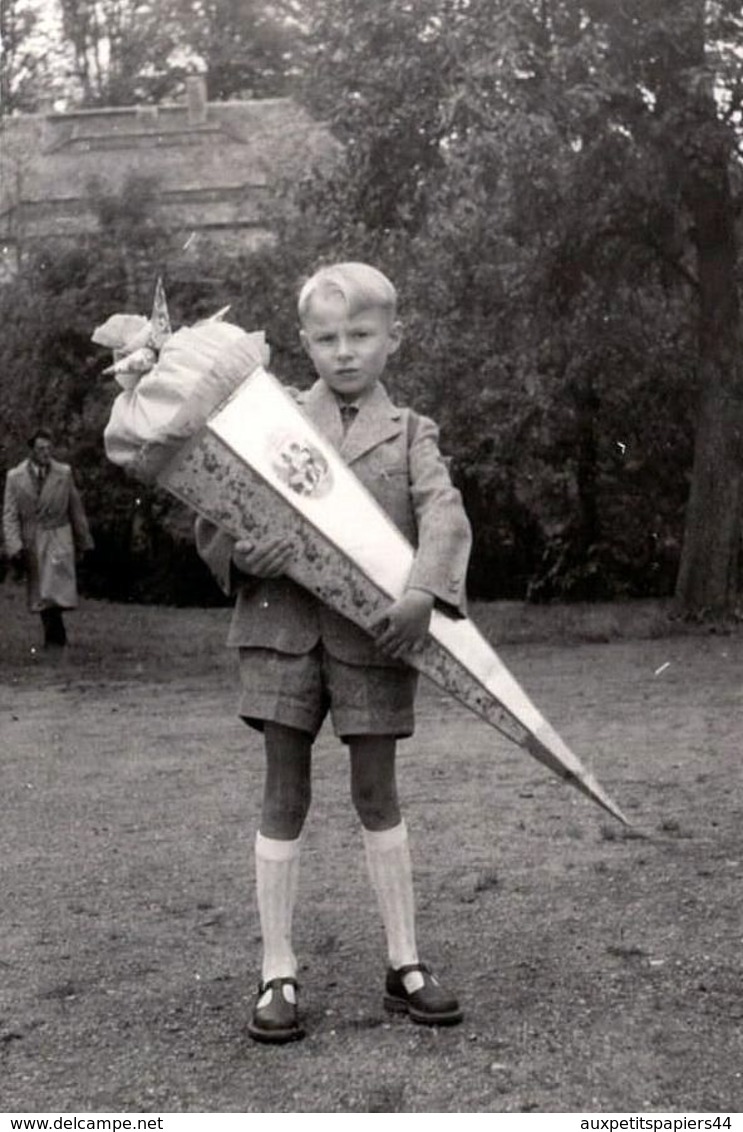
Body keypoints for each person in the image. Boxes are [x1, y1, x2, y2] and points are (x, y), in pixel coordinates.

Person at [196, 262, 472, 1044]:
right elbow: (213, 509)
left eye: (359, 335)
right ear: (304, 342)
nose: (343, 352)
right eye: (325, 337)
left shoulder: (412, 432)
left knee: (376, 796)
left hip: (375, 640)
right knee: (283, 797)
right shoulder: (270, 419)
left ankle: (404, 964)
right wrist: (244, 555)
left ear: (392, 339)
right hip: (278, 633)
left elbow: (444, 516)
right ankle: (276, 971)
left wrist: (425, 592)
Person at [3, 428, 94, 648]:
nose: (46, 453)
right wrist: (14, 546)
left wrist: (84, 541)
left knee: (55, 591)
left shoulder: (63, 473)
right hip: (32, 540)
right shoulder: (15, 477)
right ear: (31, 451)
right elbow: (10, 514)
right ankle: (54, 638)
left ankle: (55, 639)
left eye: (48, 448)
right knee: (41, 594)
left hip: (58, 536)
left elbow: (76, 508)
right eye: (40, 449)